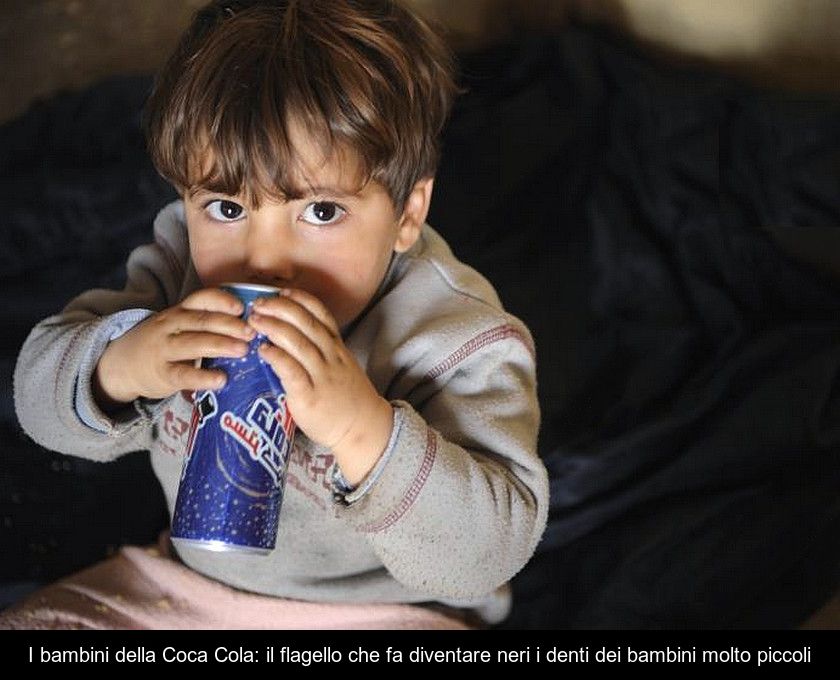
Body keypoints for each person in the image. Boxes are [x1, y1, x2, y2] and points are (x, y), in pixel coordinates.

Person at [7, 0, 547, 629]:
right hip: (184, 583)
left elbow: (485, 558)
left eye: (320, 212)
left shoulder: (459, 338)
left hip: (385, 614)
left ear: (407, 215)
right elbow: (36, 403)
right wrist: (120, 368)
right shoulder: (179, 271)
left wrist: (360, 430)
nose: (263, 262)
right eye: (227, 210)